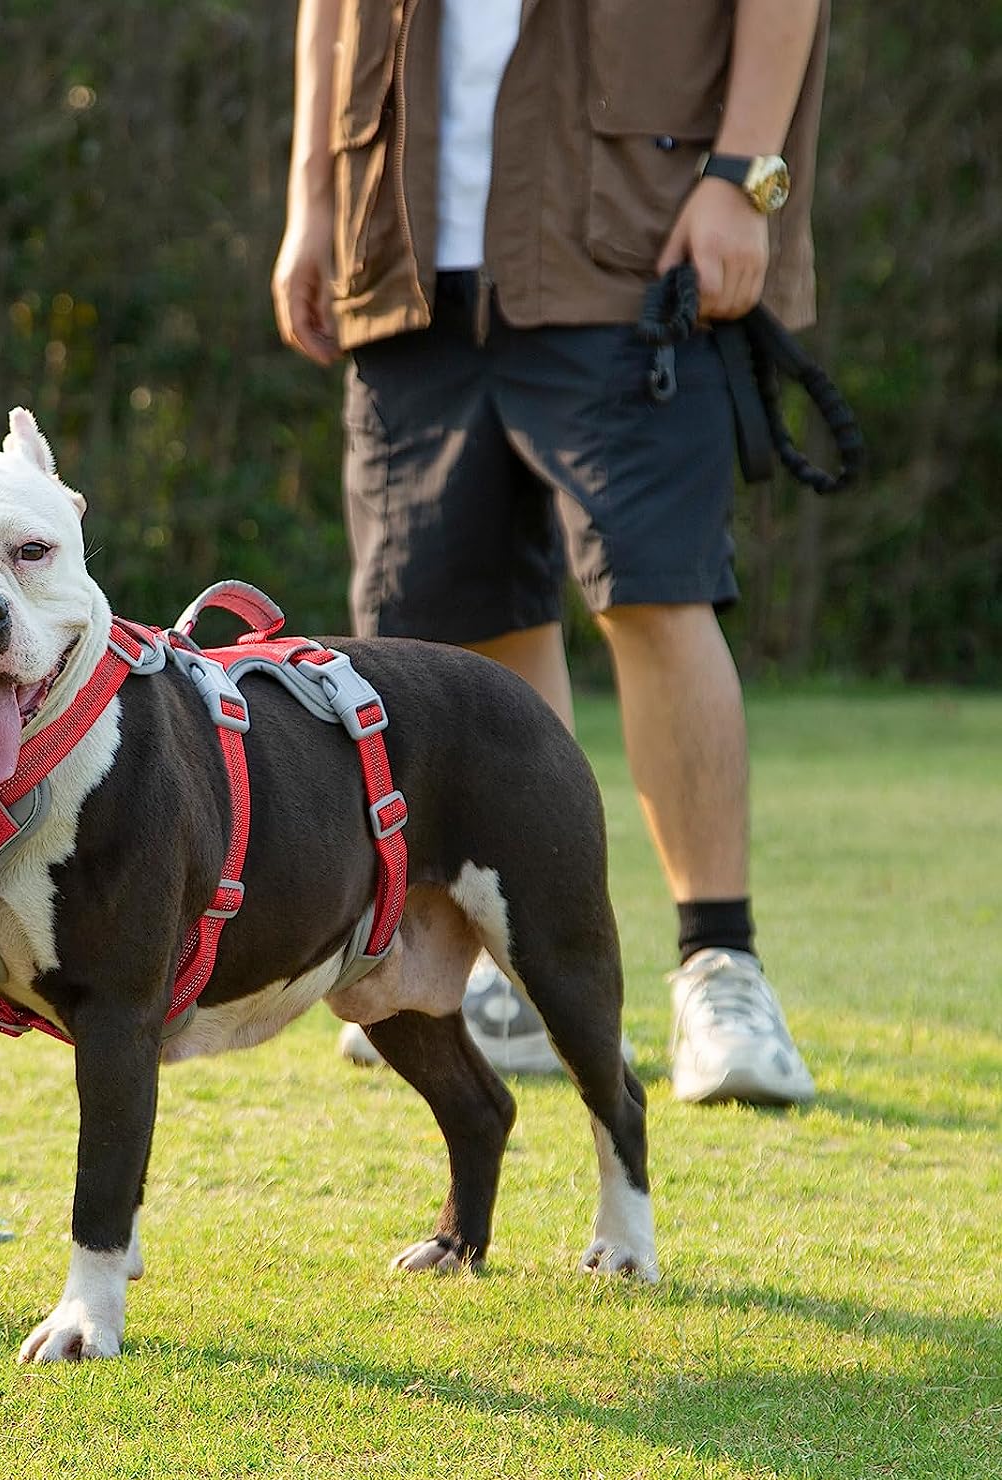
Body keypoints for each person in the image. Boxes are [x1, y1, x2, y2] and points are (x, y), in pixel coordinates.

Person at [272, 0, 827, 1104]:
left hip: (630, 235)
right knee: (453, 630)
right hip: (411, 249)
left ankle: (720, 972)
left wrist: (745, 179)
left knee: (656, 591)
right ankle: (517, 971)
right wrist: (311, 200)